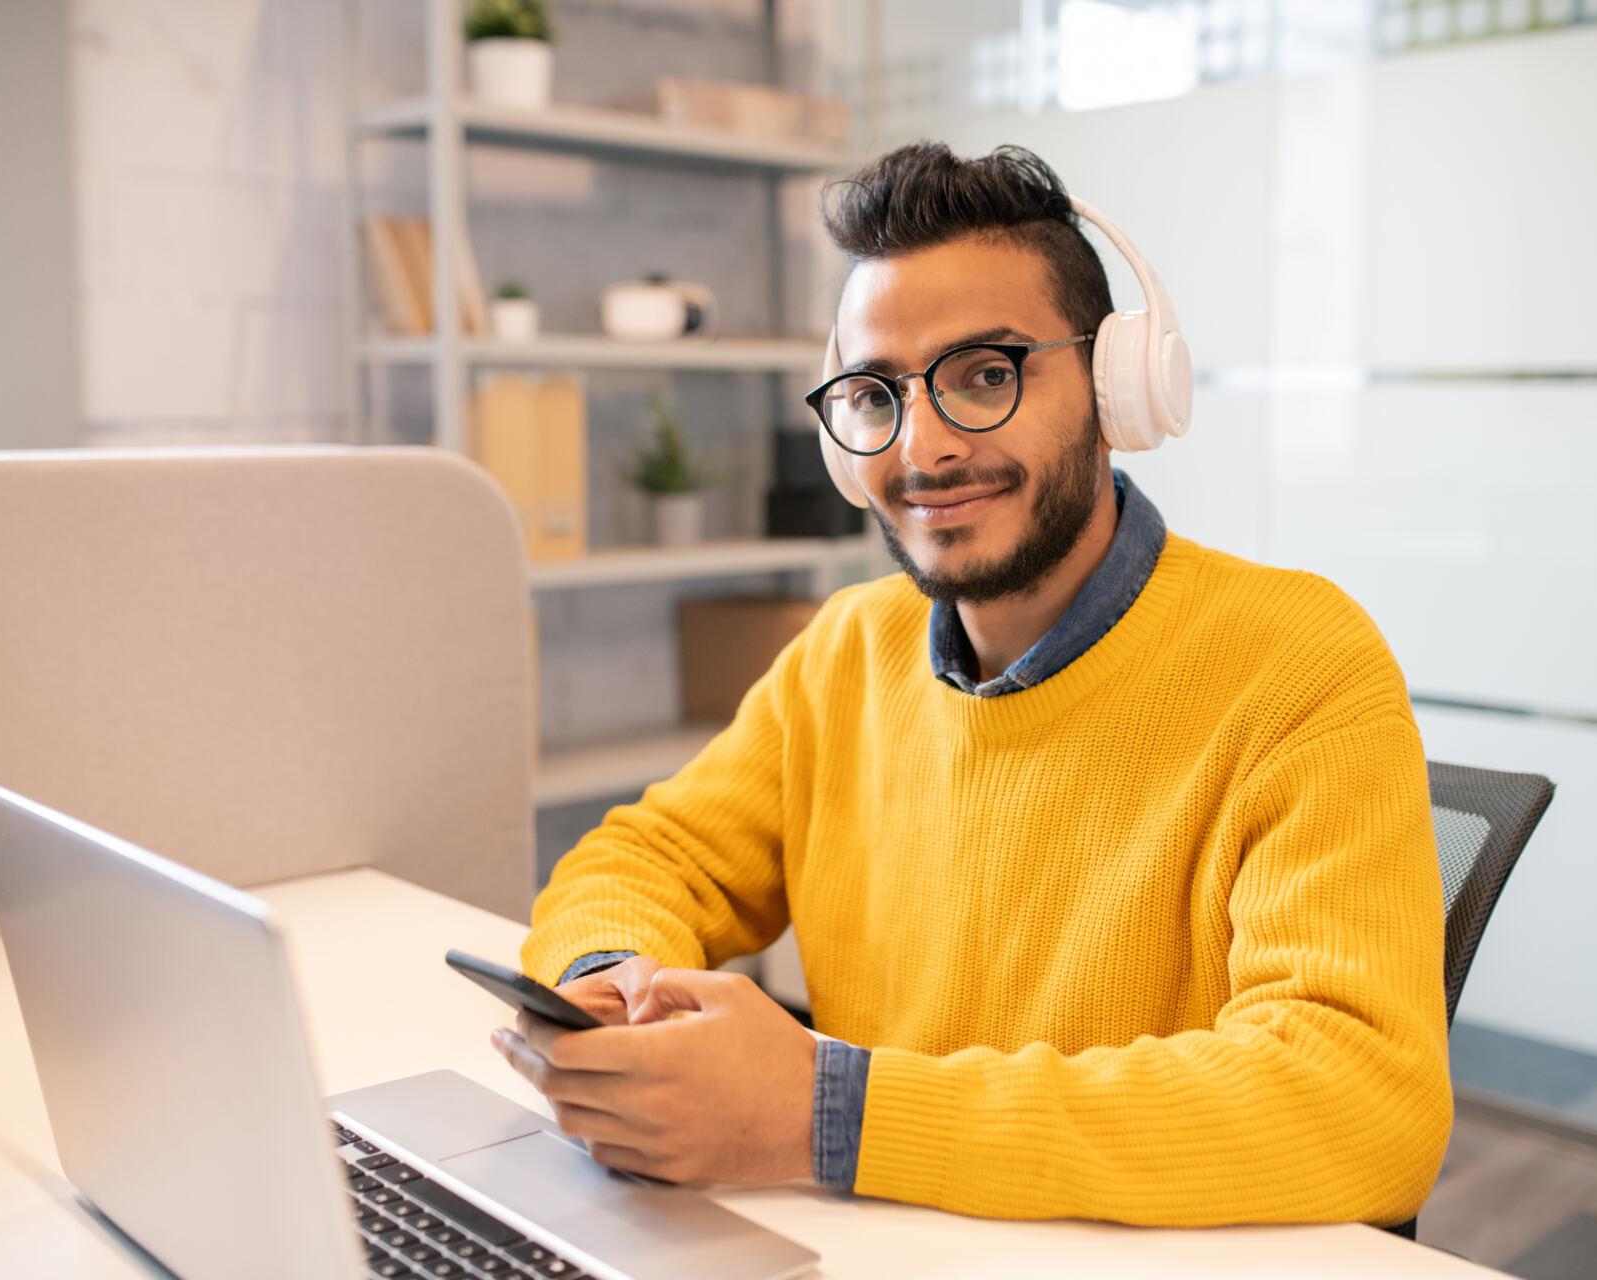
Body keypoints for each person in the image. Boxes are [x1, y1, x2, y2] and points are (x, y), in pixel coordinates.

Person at [493, 141, 1452, 1228]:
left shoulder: (1298, 661)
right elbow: (648, 854)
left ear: (1116, 380)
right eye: (874, 394)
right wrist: (612, 979)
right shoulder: (848, 648)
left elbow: (1359, 1100)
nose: (925, 446)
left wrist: (827, 1112)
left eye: (985, 374)